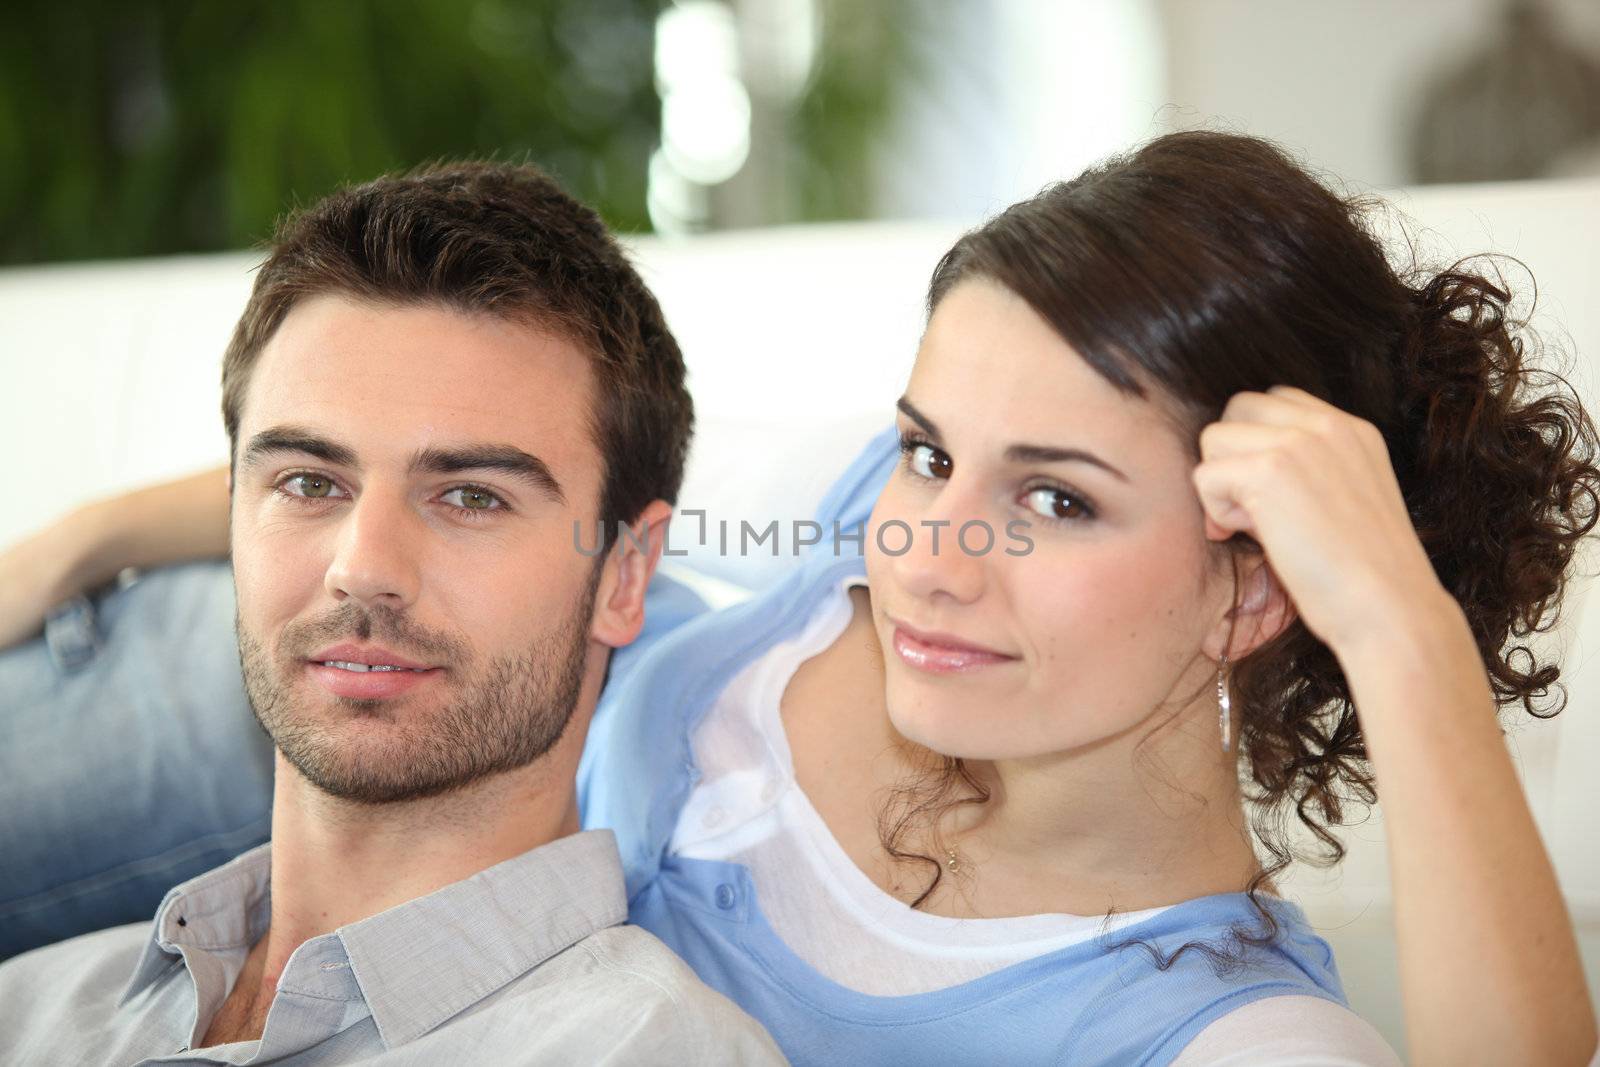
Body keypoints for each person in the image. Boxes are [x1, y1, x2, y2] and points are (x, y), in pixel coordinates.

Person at [2, 132, 1597, 1065]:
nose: (932, 551)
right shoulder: (854, 510)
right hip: (293, 732)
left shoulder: (1194, 1028)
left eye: (1057, 497)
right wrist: (74, 540)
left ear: (1252, 582)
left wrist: (1397, 621)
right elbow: (444, 468)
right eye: (931, 450)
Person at [0, 162, 785, 1065]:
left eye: (471, 497)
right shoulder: (30, 1005)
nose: (363, 568)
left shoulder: (639, 1047)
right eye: (307, 481)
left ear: (624, 573)